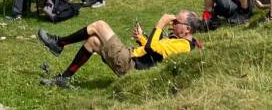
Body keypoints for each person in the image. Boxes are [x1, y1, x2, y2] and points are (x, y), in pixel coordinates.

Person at [37, 11, 202, 87]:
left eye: (176, 22)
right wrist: (142, 39)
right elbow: (154, 50)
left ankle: (59, 43)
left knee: (99, 25)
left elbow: (153, 48)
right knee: (93, 41)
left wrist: (161, 23)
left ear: (187, 29)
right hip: (131, 59)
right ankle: (64, 78)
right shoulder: (180, 40)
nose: (173, 24)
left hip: (131, 65)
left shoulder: (182, 45)